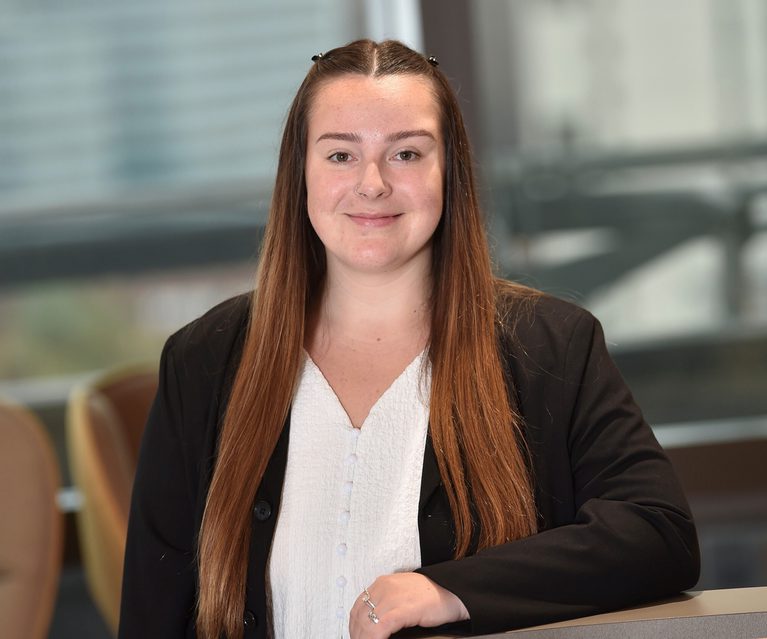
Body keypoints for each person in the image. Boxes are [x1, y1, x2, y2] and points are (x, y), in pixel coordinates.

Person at [118, 39, 700, 639]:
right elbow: (152, 614)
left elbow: (657, 534)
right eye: (340, 155)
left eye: (406, 154)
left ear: (449, 171)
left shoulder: (551, 347)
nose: (372, 184)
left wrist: (449, 590)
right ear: (301, 175)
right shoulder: (204, 360)